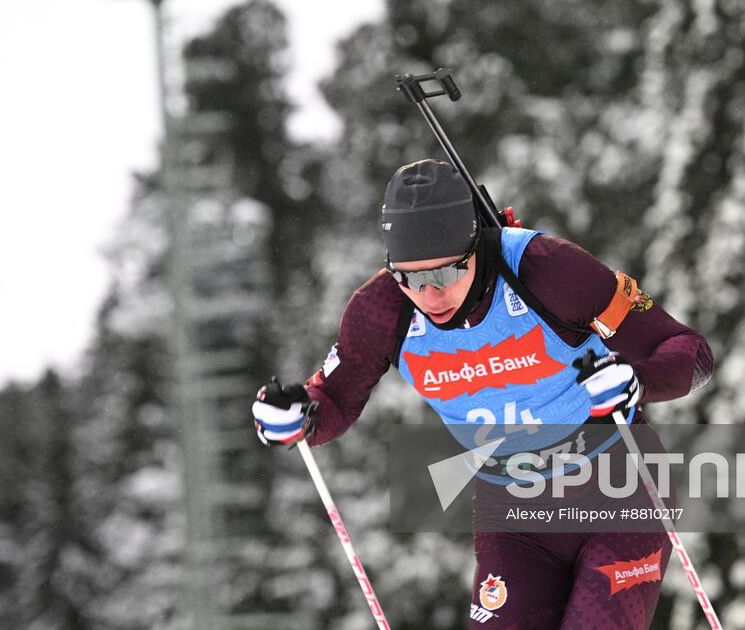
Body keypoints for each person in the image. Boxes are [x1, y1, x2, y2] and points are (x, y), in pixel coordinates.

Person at [253, 159, 714, 629]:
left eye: (446, 273)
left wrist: (638, 381)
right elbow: (332, 401)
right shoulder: (381, 312)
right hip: (513, 515)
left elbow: (692, 354)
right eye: (411, 278)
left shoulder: (546, 270)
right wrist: (296, 417)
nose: (431, 296)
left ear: (477, 248)